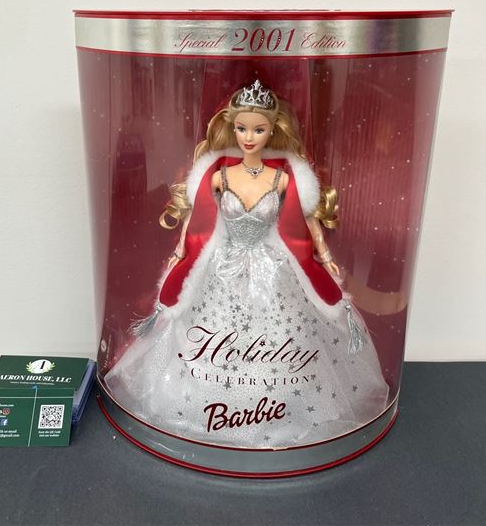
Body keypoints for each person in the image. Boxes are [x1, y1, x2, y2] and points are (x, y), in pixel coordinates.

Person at [104, 80, 389, 448]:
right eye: (242, 128)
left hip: (273, 269)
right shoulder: (220, 175)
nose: (249, 137)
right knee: (210, 330)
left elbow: (305, 223)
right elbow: (197, 219)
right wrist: (179, 252)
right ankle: (210, 401)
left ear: (272, 130)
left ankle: (277, 402)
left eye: (258, 129)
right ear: (232, 127)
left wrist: (327, 256)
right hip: (222, 266)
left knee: (284, 332)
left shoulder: (282, 178)